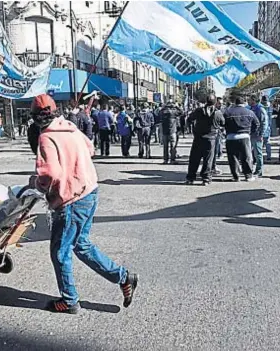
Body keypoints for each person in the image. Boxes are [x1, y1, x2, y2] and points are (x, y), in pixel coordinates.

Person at [28, 94, 138, 314]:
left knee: (60, 252)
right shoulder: (70, 127)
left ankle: (69, 301)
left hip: (71, 200)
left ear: (34, 118)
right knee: (81, 245)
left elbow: (50, 173)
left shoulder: (46, 137)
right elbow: (90, 149)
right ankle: (124, 277)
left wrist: (38, 185)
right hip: (89, 192)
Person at [186, 94, 225, 185]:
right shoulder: (217, 112)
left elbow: (189, 119)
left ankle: (190, 178)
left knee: (194, 159)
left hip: (198, 137)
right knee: (208, 160)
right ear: (215, 102)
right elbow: (223, 123)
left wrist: (193, 129)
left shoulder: (199, 111)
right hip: (211, 138)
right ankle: (206, 179)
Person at [224, 96, 260, 181]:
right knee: (246, 157)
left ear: (235, 103)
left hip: (231, 137)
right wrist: (250, 132)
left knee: (233, 158)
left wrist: (226, 131)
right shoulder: (249, 112)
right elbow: (257, 123)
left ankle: (236, 176)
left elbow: (222, 122)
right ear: (244, 103)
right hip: (244, 136)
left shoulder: (227, 112)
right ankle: (248, 175)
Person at [248, 95, 268, 177]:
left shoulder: (260, 109)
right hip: (251, 134)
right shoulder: (251, 109)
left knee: (258, 153)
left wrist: (261, 134)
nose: (249, 101)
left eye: (250, 99)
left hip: (257, 135)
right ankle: (250, 169)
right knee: (250, 153)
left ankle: (259, 171)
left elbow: (264, 123)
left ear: (254, 100)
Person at [159, 98, 182, 164]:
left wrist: (164, 107)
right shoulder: (174, 112)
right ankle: (172, 160)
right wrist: (176, 106)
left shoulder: (163, 112)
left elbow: (158, 113)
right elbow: (182, 112)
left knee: (165, 147)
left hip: (165, 131)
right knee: (173, 146)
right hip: (172, 131)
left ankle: (165, 160)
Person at [261, 96, 273, 162]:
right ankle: (269, 156)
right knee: (267, 142)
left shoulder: (260, 107)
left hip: (261, 127)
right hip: (268, 127)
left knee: (260, 143)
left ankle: (260, 156)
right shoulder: (270, 107)